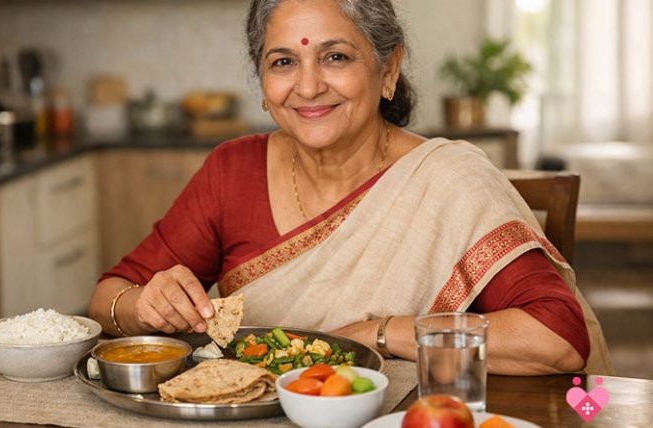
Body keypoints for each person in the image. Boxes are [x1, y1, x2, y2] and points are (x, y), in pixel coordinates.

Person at [89, 0, 613, 375]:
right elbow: (107, 297)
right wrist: (144, 306)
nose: (309, 85)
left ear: (389, 69)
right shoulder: (231, 171)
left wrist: (378, 333)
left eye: (335, 56)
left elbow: (557, 340)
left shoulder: (450, 181)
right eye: (283, 62)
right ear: (264, 86)